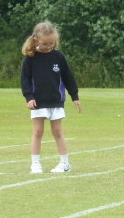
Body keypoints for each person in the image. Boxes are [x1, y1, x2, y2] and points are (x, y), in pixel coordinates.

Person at [21, 21, 81, 174]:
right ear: (36, 40)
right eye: (45, 43)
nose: (49, 46)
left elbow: (68, 77)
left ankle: (65, 164)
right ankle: (35, 165)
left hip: (56, 100)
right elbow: (25, 80)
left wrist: (74, 96)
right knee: (38, 132)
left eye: (51, 43)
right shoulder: (30, 58)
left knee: (58, 132)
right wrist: (29, 97)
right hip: (38, 101)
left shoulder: (58, 57)